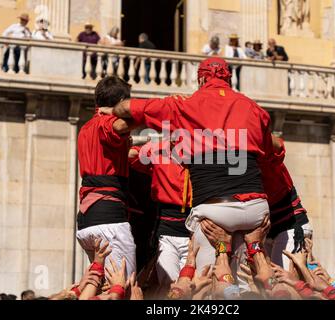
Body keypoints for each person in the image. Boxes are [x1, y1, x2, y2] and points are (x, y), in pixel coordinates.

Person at [99, 57, 274, 289]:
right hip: (256, 210)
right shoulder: (255, 109)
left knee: (208, 284)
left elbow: (126, 108)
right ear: (229, 79)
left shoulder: (183, 105)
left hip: (216, 210)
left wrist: (115, 112)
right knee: (243, 282)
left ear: (201, 78)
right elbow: (268, 153)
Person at [76, 76, 138, 279]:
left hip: (87, 220)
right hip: (108, 218)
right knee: (123, 287)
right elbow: (121, 126)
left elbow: (107, 157)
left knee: (99, 286)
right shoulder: (107, 124)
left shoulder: (86, 128)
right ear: (121, 101)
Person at [129, 140, 192, 291]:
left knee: (192, 287)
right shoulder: (159, 150)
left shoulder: (202, 150)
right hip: (167, 231)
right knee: (168, 286)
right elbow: (131, 155)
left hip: (194, 230)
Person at [258, 134, 312, 270]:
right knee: (267, 286)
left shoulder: (265, 155)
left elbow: (279, 145)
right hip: (266, 231)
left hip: (291, 226)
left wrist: (250, 131)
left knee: (286, 284)